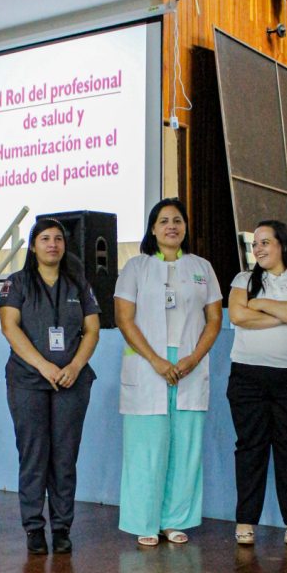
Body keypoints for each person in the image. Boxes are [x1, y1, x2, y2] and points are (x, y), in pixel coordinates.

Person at [114, 198, 223, 546]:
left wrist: (192, 359)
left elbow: (215, 319)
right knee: (146, 447)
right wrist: (156, 360)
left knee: (185, 445)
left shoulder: (202, 267)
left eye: (177, 220)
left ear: (186, 227)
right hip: (149, 365)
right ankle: (144, 522)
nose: (171, 226)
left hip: (189, 364)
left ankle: (175, 520)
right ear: (152, 228)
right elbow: (124, 318)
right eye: (163, 221)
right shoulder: (136, 266)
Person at [0, 218, 100, 555]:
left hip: (71, 381)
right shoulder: (17, 283)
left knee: (64, 457)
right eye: (45, 239)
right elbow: (10, 328)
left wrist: (74, 366)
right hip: (28, 381)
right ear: (33, 245)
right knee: (34, 455)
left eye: (58, 239)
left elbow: (92, 331)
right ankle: (33, 528)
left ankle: (61, 527)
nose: (52, 244)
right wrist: (44, 366)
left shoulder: (78, 284)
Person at [227, 220, 287, 545]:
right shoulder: (243, 279)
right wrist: (286, 313)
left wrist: (261, 304)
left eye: (266, 242)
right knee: (250, 448)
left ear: (283, 244)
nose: (258, 249)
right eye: (255, 244)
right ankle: (245, 521)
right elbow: (238, 317)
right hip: (247, 378)